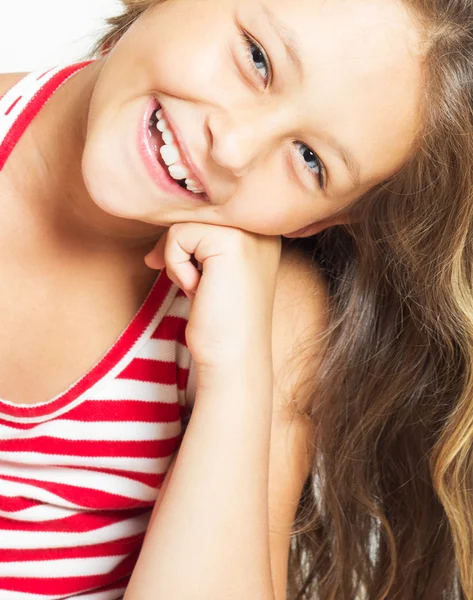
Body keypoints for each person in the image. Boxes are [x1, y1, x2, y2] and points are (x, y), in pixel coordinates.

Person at [0, 0, 471, 598]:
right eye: (257, 59)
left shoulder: (267, 323)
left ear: (321, 221)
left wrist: (234, 373)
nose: (234, 149)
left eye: (310, 161)